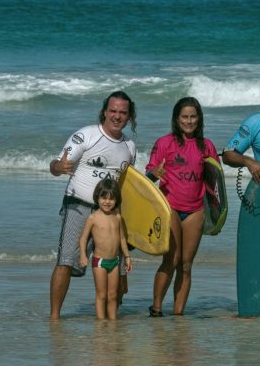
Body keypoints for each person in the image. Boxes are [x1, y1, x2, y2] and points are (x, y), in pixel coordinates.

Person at [49, 91, 137, 320]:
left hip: (111, 213)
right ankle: (55, 318)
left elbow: (128, 186)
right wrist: (59, 167)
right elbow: (56, 165)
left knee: (114, 266)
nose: (117, 116)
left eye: (123, 112)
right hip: (78, 206)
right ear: (105, 112)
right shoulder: (86, 135)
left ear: (129, 116)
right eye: (113, 111)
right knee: (66, 261)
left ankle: (112, 321)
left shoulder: (130, 146)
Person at [146, 97, 220, 317]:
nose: (189, 121)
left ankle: (178, 314)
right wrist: (154, 173)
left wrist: (217, 214)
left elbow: (215, 180)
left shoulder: (206, 146)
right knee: (172, 259)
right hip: (170, 208)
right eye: (185, 117)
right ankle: (157, 308)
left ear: (199, 119)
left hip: (196, 210)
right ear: (176, 119)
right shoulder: (164, 143)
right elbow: (148, 174)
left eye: (193, 117)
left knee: (186, 265)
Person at [79, 179, 133, 319]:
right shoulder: (93, 218)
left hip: (115, 261)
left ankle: (113, 322)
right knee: (101, 295)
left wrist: (127, 257)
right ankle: (100, 324)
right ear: (97, 197)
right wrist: (83, 256)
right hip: (100, 262)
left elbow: (122, 239)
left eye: (111, 198)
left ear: (116, 200)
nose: (107, 202)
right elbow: (83, 238)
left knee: (113, 295)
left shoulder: (118, 217)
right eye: (104, 198)